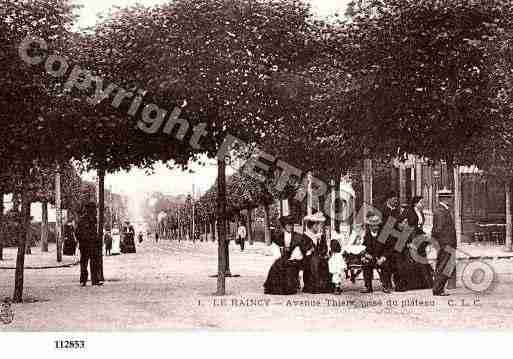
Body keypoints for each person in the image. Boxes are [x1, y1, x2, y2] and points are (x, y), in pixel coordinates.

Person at [264, 215, 308, 295]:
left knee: (289, 267)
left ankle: (289, 287)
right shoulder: (279, 236)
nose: (290, 227)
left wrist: (292, 258)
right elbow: (276, 248)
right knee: (276, 266)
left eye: (292, 225)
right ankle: (275, 288)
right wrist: (279, 256)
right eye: (288, 225)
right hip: (282, 258)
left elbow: (299, 251)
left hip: (294, 259)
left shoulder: (298, 237)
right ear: (284, 226)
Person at [432, 190, 457, 296]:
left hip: (447, 242)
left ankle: (439, 288)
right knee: (444, 266)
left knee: (445, 265)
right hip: (446, 243)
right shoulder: (441, 211)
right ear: (445, 199)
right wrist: (442, 242)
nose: (451, 200)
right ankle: (438, 289)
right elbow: (438, 229)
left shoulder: (442, 210)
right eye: (450, 197)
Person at [361, 212, 393, 294]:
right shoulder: (367, 235)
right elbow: (364, 247)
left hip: (381, 257)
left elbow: (389, 248)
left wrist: (383, 257)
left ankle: (386, 285)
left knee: (385, 265)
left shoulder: (383, 234)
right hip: (371, 257)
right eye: (373, 225)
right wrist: (365, 255)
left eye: (377, 225)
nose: (375, 227)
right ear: (370, 226)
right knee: (365, 264)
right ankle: (368, 286)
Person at [302, 212, 331, 294]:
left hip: (319, 257)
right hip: (308, 258)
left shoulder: (320, 236)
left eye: (319, 225)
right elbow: (304, 249)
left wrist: (324, 252)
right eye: (317, 225)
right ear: (313, 226)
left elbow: (324, 247)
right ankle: (313, 286)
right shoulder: (305, 236)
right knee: (315, 261)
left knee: (326, 261)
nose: (319, 227)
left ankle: (324, 286)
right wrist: (312, 248)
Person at [77, 202, 102, 286]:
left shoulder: (94, 219)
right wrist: (82, 241)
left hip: (92, 245)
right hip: (86, 245)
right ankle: (85, 280)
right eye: (94, 209)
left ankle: (93, 280)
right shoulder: (83, 220)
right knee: (85, 263)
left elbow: (95, 233)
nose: (95, 210)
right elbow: (78, 233)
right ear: (90, 209)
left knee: (91, 262)